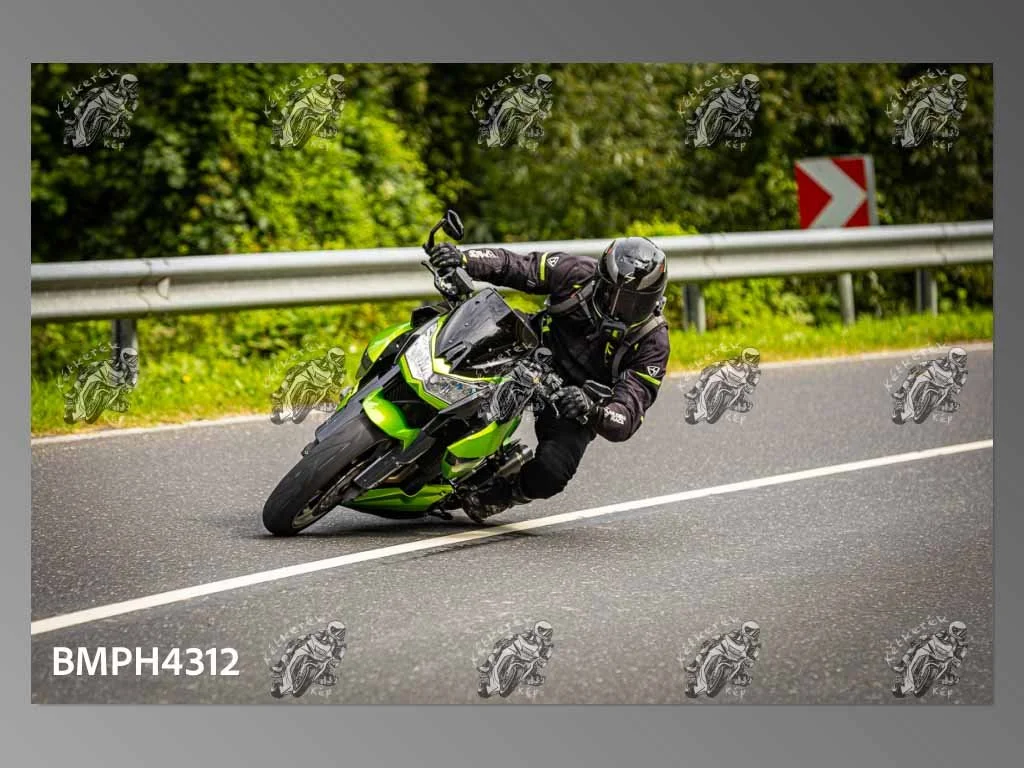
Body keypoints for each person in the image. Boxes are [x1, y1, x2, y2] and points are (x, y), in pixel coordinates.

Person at [429, 236, 670, 521]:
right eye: (611, 294)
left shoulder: (653, 343)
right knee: (452, 325)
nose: (618, 309)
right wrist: (464, 259)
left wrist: (593, 410)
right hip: (530, 345)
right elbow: (516, 265)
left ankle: (502, 492)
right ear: (600, 280)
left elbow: (627, 414)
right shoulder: (576, 273)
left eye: (633, 303)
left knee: (553, 472)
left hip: (572, 398)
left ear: (655, 300)